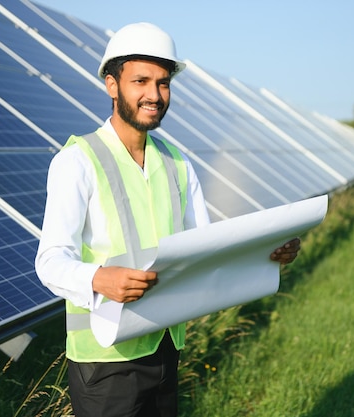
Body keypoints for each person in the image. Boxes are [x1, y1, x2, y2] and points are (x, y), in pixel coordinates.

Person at [35, 22, 301, 417]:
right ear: (112, 85)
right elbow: (50, 260)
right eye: (140, 81)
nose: (154, 95)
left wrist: (267, 254)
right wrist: (98, 279)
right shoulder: (77, 161)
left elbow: (207, 251)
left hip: (165, 348)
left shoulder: (178, 163)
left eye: (163, 83)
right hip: (105, 363)